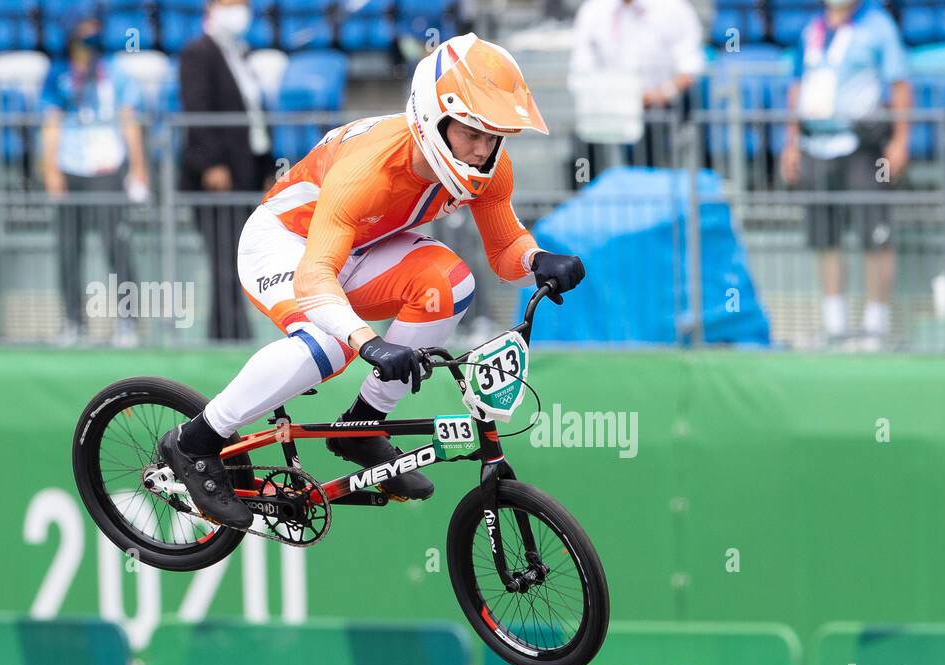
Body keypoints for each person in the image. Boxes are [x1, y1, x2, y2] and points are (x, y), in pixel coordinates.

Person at [158, 34, 586, 529]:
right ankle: (196, 442)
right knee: (331, 344)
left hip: (359, 248)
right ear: (433, 117)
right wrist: (368, 342)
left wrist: (536, 259)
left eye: (494, 136)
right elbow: (317, 276)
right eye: (472, 132)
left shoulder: (489, 166)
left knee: (450, 284)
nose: (482, 149)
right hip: (287, 244)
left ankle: (362, 426)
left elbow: (504, 250)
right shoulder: (370, 169)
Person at [780, 0, 911, 347]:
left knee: (876, 236)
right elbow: (797, 86)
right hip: (816, 146)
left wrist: (900, 141)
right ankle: (834, 324)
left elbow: (899, 85)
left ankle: (876, 326)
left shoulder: (878, 26)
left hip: (864, 147)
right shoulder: (812, 29)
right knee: (825, 239)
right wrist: (790, 143)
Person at [40, 9, 149, 346]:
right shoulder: (57, 74)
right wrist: (50, 170)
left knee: (116, 246)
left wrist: (139, 169)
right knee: (69, 250)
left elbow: (128, 121)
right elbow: (51, 124)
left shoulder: (114, 71)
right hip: (71, 168)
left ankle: (127, 322)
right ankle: (73, 321)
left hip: (107, 167)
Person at [180, 0, 274, 342]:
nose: (239, 10)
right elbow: (198, 110)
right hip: (216, 179)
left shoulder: (241, 54)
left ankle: (232, 332)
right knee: (224, 258)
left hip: (244, 172)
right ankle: (229, 336)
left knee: (238, 257)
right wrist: (212, 164)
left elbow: (254, 119)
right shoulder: (197, 52)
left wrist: (266, 165)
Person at [568, 0, 705, 175]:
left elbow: (690, 67)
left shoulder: (673, 8)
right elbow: (580, 68)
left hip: (657, 107)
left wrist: (660, 94)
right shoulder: (593, 9)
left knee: (651, 142)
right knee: (582, 146)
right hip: (606, 107)